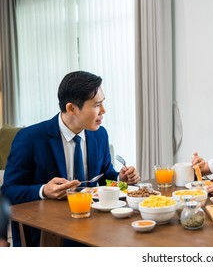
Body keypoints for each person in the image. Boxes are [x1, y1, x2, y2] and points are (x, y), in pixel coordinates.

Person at [1, 71, 141, 246]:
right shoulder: (30, 138)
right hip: (49, 233)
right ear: (71, 109)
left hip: (94, 227)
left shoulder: (99, 135)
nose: (103, 111)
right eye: (97, 105)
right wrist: (44, 190)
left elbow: (105, 176)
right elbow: (8, 191)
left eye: (103, 103)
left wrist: (121, 178)